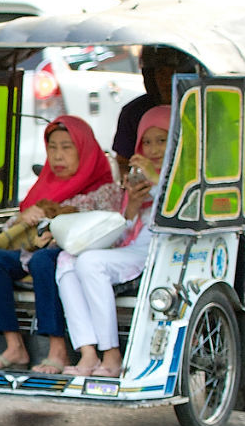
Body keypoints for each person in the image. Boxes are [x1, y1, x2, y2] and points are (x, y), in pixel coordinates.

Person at [0, 115, 121, 373]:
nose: (58, 156)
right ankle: (14, 345)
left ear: (83, 149)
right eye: (52, 148)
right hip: (31, 253)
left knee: (45, 261)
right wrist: (23, 218)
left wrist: (63, 225)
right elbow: (13, 231)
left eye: (66, 147)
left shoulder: (104, 188)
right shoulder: (44, 184)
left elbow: (109, 228)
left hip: (69, 256)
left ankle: (58, 350)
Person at [58, 106, 171, 378]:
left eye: (162, 140)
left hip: (162, 252)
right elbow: (125, 230)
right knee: (67, 260)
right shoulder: (138, 175)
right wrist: (131, 202)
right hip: (132, 248)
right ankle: (88, 352)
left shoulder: (181, 175)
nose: (153, 149)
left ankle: (111, 354)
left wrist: (157, 181)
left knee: (90, 262)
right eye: (147, 142)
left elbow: (176, 210)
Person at [111, 46, 191, 175]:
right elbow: (123, 164)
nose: (167, 81)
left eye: (174, 73)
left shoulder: (202, 107)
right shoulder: (133, 112)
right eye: (161, 73)